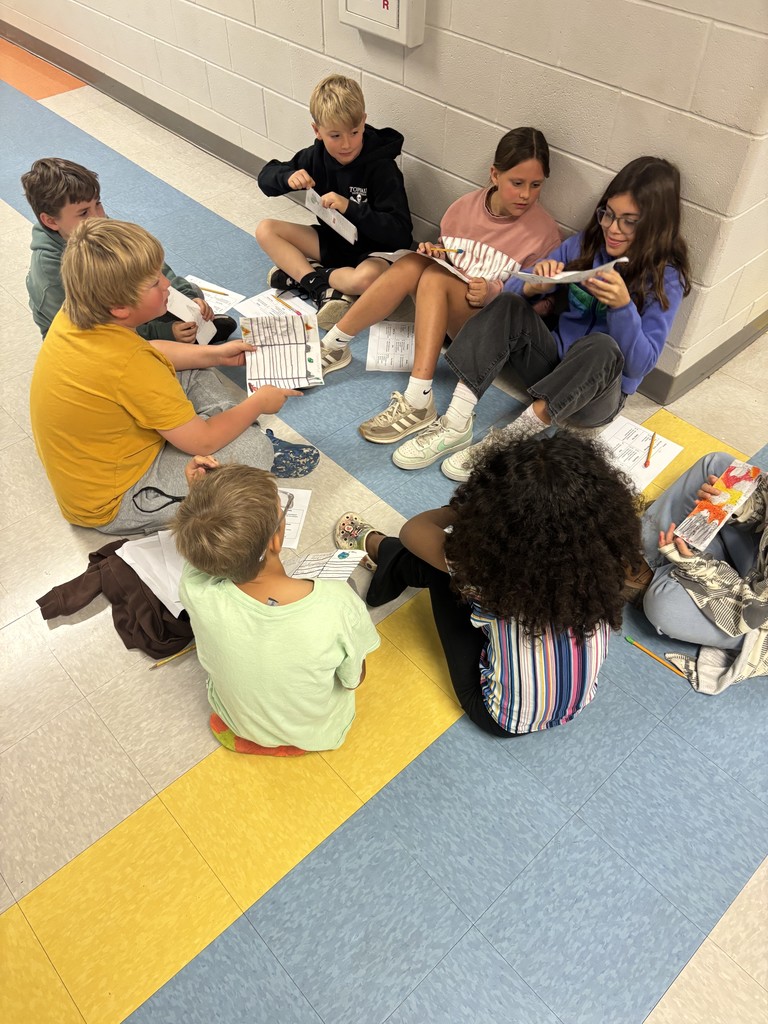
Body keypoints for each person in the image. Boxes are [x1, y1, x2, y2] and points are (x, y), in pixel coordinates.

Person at [391, 156, 692, 475]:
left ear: (655, 225)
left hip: (595, 398)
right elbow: (513, 291)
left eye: (629, 221)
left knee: (602, 344)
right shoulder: (585, 244)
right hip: (549, 367)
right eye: (608, 215)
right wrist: (535, 285)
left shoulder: (666, 278)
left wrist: (622, 307)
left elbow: (639, 365)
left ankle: (510, 441)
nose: (612, 229)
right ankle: (454, 423)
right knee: (509, 304)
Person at [335, 433, 643, 736]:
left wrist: (467, 510)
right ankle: (386, 562)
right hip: (577, 703)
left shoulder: (486, 575)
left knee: (439, 566)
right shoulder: (607, 565)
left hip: (498, 716)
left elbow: (413, 530)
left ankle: (382, 558)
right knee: (449, 563)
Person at [29, 219, 316, 535]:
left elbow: (150, 350)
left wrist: (213, 354)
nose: (167, 285)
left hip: (119, 445)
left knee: (194, 361)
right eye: (154, 283)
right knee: (255, 450)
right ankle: (233, 429)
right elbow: (201, 440)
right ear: (120, 307)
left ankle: (220, 423)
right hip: (119, 499)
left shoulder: (77, 311)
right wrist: (258, 403)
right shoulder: (128, 363)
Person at [322, 126, 562, 444]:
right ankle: (335, 344)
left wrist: (494, 291)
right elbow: (451, 262)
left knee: (434, 277)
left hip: (491, 335)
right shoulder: (463, 209)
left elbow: (537, 311)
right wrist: (436, 254)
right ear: (494, 175)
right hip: (453, 311)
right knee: (411, 263)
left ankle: (419, 398)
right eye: (516, 183)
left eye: (536, 185)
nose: (525, 195)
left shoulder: (544, 233)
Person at [173, 459, 380, 751]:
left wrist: (199, 500)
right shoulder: (337, 603)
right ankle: (292, 743)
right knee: (350, 593)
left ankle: (252, 738)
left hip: (240, 722)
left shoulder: (195, 589)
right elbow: (351, 681)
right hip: (317, 733)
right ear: (276, 539)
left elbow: (201, 544)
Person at [256, 74, 412, 331]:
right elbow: (265, 179)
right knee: (265, 229)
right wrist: (288, 177)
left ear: (364, 122)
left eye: (354, 132)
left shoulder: (382, 167)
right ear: (317, 131)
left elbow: (400, 234)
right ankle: (320, 288)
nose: (347, 144)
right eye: (335, 136)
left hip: (373, 251)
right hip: (334, 240)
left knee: (364, 280)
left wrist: (351, 207)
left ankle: (304, 277)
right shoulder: (314, 156)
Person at [21, 157, 236, 343]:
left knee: (191, 291)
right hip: (94, 339)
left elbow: (153, 268)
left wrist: (188, 300)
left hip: (122, 304)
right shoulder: (51, 275)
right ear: (50, 221)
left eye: (98, 204)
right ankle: (182, 341)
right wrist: (164, 333)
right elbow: (96, 332)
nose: (98, 216)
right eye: (84, 212)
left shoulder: (97, 228)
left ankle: (190, 331)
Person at [641, 453, 768, 694]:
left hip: (758, 619)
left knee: (665, 606)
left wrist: (696, 565)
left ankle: (668, 558)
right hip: (759, 564)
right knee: (720, 468)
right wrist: (737, 507)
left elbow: (753, 610)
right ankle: (659, 555)